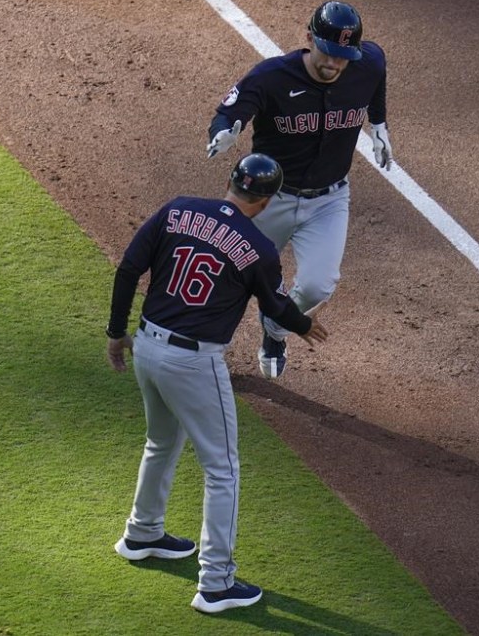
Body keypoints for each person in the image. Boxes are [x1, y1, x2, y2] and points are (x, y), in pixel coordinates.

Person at [105, 153, 329, 614]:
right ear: (265, 202)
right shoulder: (258, 248)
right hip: (193, 362)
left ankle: (142, 533)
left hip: (146, 344)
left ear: (231, 183)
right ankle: (216, 583)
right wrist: (304, 327)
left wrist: (114, 333)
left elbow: (128, 268)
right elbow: (277, 309)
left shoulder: (177, 209)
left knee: (161, 442)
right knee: (222, 470)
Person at [206, 0, 392, 380]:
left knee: (318, 285)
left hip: (329, 200)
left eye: (343, 57)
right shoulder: (273, 76)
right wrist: (225, 130)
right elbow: (232, 109)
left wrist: (379, 122)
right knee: (231, 277)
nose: (334, 65)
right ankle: (204, 351)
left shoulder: (365, 63)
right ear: (309, 38)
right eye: (327, 53)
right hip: (266, 201)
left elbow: (377, 73)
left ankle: (274, 330)